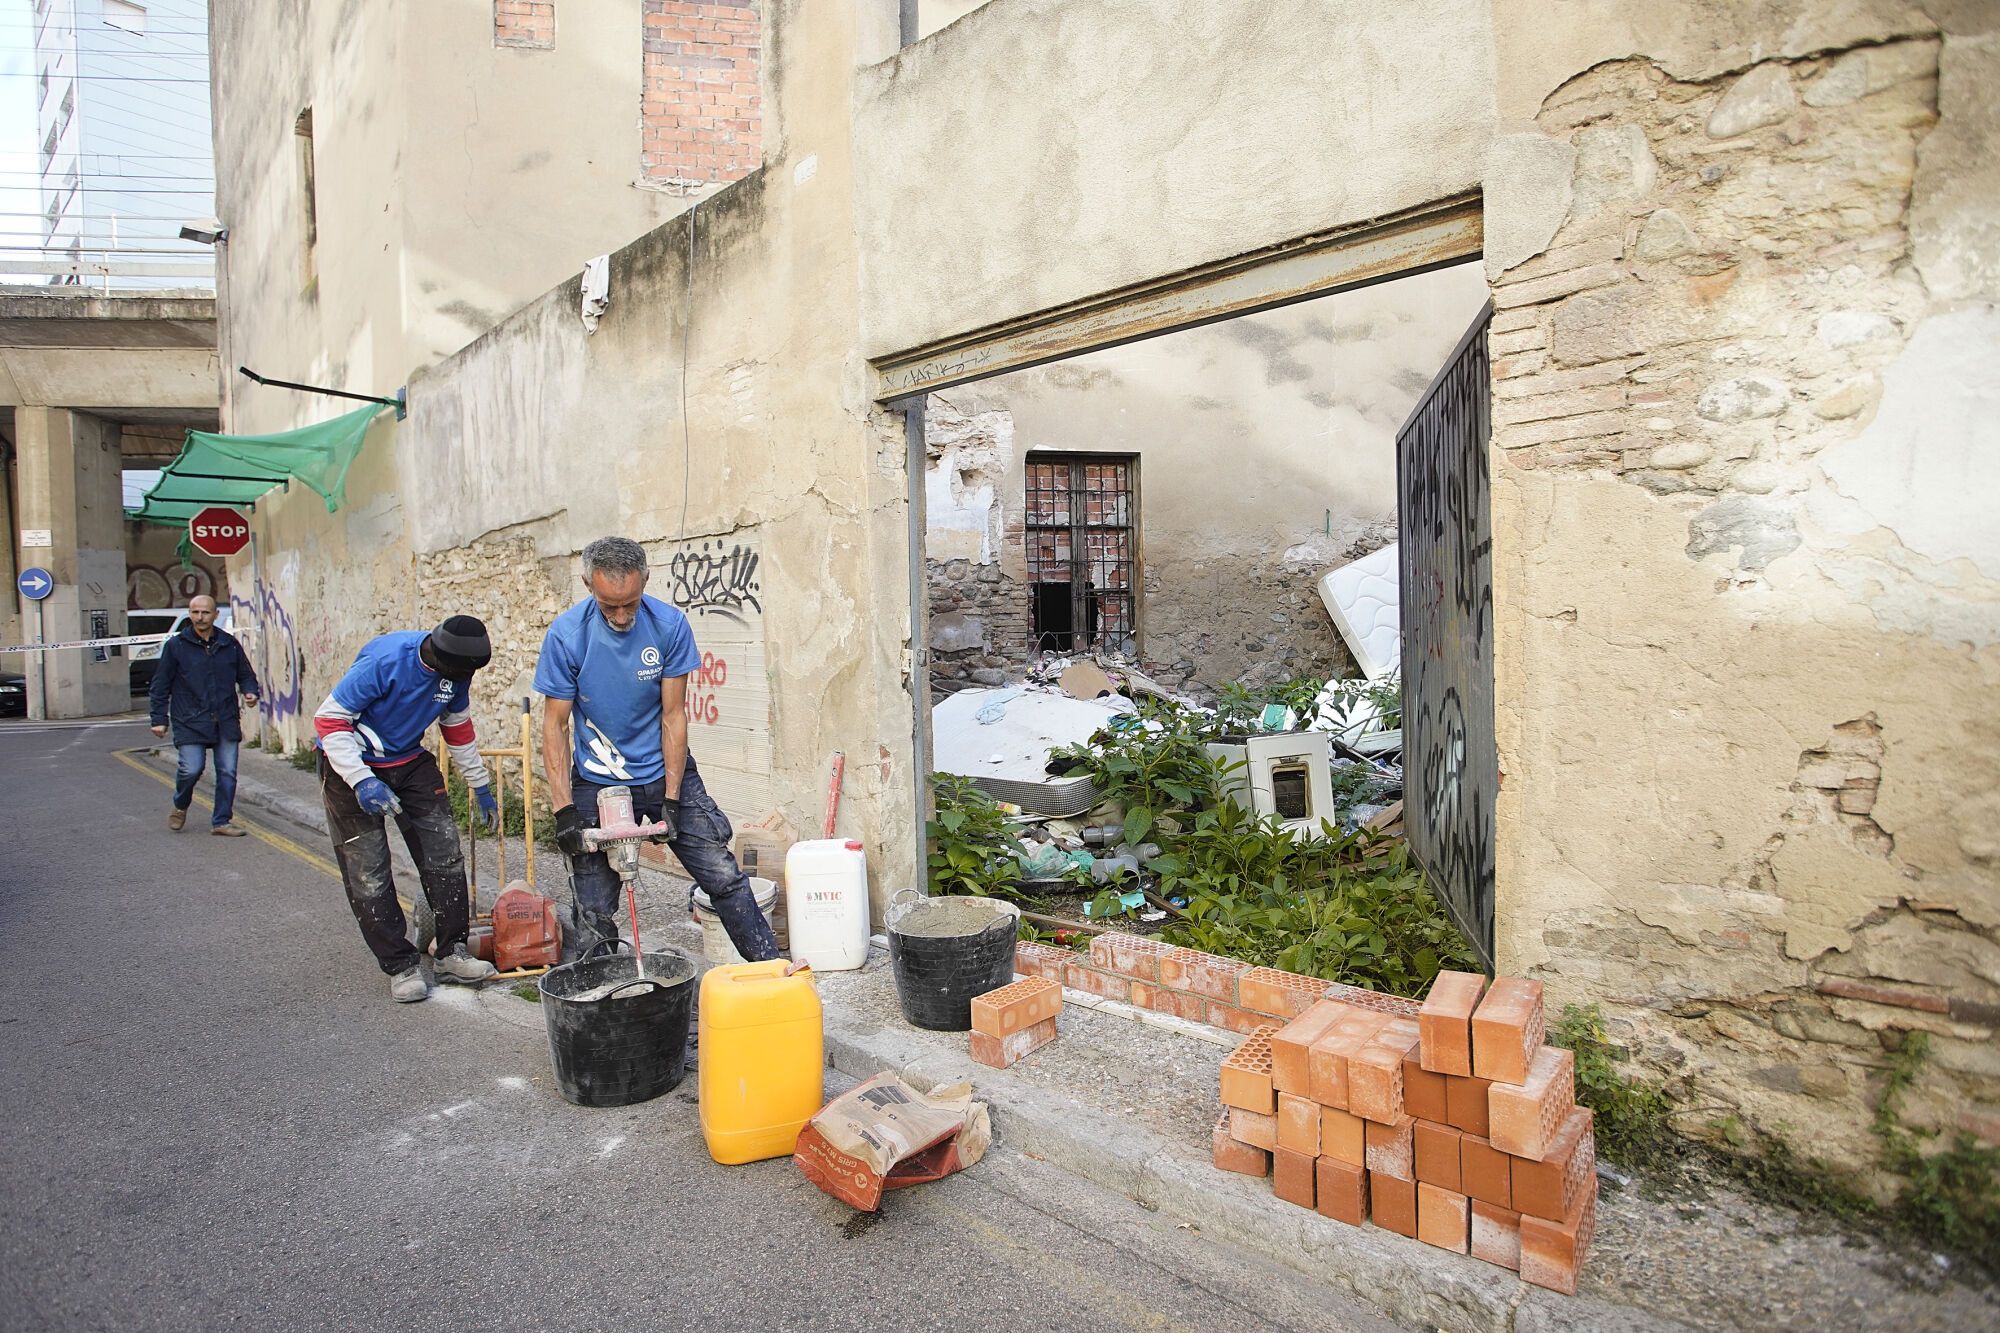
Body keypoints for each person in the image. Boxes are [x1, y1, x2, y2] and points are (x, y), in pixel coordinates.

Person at [536, 536, 780, 964]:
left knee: (724, 877)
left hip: (664, 772)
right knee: (593, 907)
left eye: (630, 602)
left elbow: (673, 717)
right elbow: (555, 727)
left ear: (646, 581)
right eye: (609, 605)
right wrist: (563, 811)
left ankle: (772, 974)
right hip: (598, 783)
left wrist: (670, 798)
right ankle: (607, 1004)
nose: (621, 615)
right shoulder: (567, 637)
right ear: (587, 585)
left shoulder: (669, 626)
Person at [312, 616, 502, 1002]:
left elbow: (458, 727)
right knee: (369, 870)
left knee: (445, 855)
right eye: (463, 672)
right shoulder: (386, 661)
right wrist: (361, 780)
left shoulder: (459, 670)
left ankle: (451, 953)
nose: (467, 678)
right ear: (439, 655)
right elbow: (329, 720)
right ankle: (400, 966)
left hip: (409, 761)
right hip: (350, 763)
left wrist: (480, 784)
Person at [148, 594, 260, 837]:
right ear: (190, 614)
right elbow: (160, 685)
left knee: (228, 772)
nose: (200, 617)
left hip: (225, 719)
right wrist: (158, 720)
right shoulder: (176, 646)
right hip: (189, 719)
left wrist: (250, 691)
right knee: (191, 769)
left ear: (215, 615)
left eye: (205, 612)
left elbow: (246, 674)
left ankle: (221, 821)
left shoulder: (229, 644)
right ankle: (180, 804)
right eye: (195, 612)